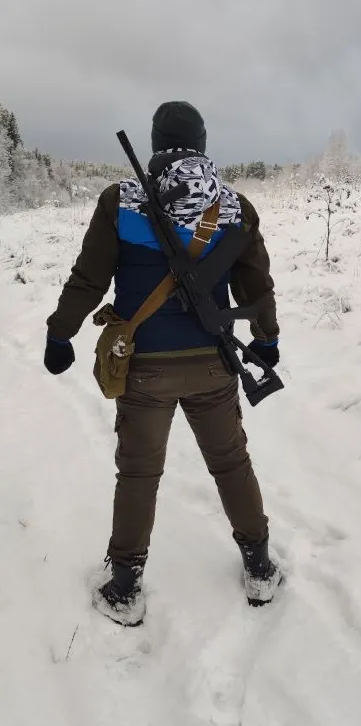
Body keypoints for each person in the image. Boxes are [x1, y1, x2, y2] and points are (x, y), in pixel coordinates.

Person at [45, 101, 281, 626]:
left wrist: (59, 334)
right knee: (230, 463)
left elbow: (89, 279)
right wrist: (267, 341)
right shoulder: (234, 205)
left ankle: (126, 585)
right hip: (215, 364)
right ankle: (260, 564)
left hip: (144, 367)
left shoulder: (120, 200)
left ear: (154, 144)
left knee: (138, 472)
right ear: (201, 141)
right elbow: (256, 287)